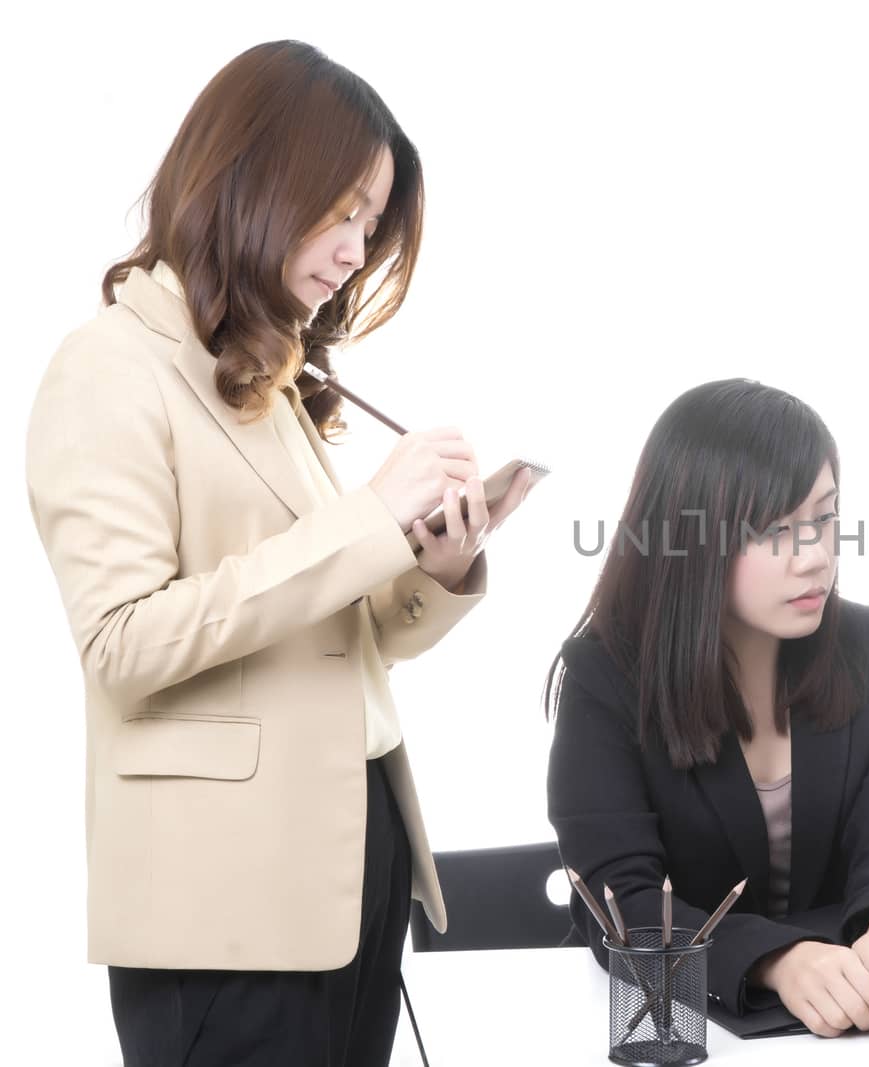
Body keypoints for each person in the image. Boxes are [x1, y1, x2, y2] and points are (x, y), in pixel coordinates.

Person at [24, 40, 532, 1066]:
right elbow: (123, 642)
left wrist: (428, 567)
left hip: (350, 865)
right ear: (251, 176)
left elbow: (329, 633)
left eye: (371, 223)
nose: (356, 250)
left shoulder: (261, 373)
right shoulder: (108, 367)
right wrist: (365, 520)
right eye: (342, 209)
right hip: (223, 906)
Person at [546, 378, 869, 1038]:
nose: (816, 556)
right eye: (774, 530)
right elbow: (623, 903)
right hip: (664, 1028)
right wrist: (777, 961)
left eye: (824, 517)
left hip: (856, 1030)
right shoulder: (606, 676)